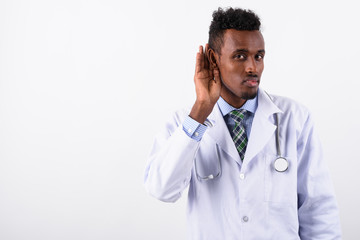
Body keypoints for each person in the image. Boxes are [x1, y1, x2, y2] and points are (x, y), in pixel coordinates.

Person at [144, 7, 341, 240]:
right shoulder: (185, 122)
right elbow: (162, 189)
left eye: (258, 56)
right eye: (240, 56)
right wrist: (201, 110)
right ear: (212, 59)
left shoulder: (294, 118)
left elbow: (317, 210)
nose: (252, 67)